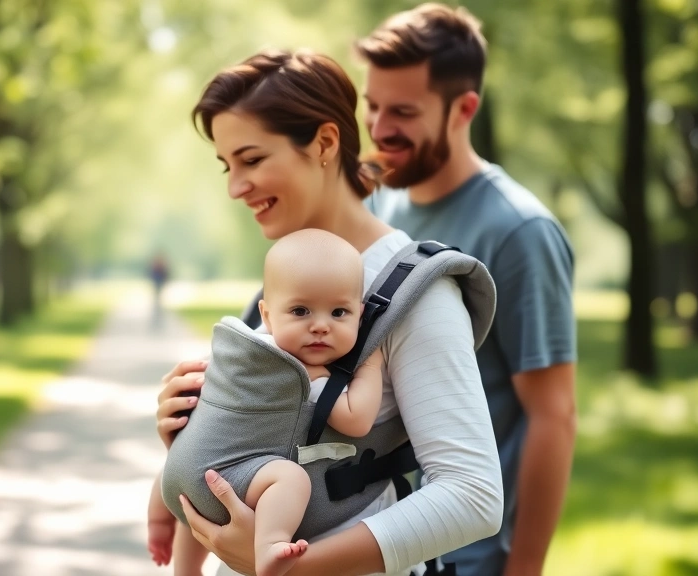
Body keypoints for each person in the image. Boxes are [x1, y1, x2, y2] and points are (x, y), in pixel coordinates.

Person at [155, 49, 503, 576]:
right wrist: (191, 432)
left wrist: (295, 567)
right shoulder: (288, 286)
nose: (235, 187)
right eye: (228, 166)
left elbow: (473, 495)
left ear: (323, 143)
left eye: (251, 160)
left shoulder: (418, 294)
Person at [357, 4, 578, 575]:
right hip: (384, 545)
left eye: (402, 111)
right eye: (372, 105)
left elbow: (553, 416)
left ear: (464, 109)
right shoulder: (378, 207)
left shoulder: (519, 232)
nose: (379, 129)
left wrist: (523, 567)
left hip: (472, 558)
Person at [149, 228, 385, 576]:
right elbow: (356, 419)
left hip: (177, 478)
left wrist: (160, 517)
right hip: (226, 481)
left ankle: (173, 550)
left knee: (193, 470)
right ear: (268, 313)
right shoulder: (303, 374)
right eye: (301, 311)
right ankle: (270, 546)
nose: (320, 326)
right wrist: (373, 363)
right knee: (290, 479)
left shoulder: (240, 353)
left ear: (358, 313)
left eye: (338, 313)